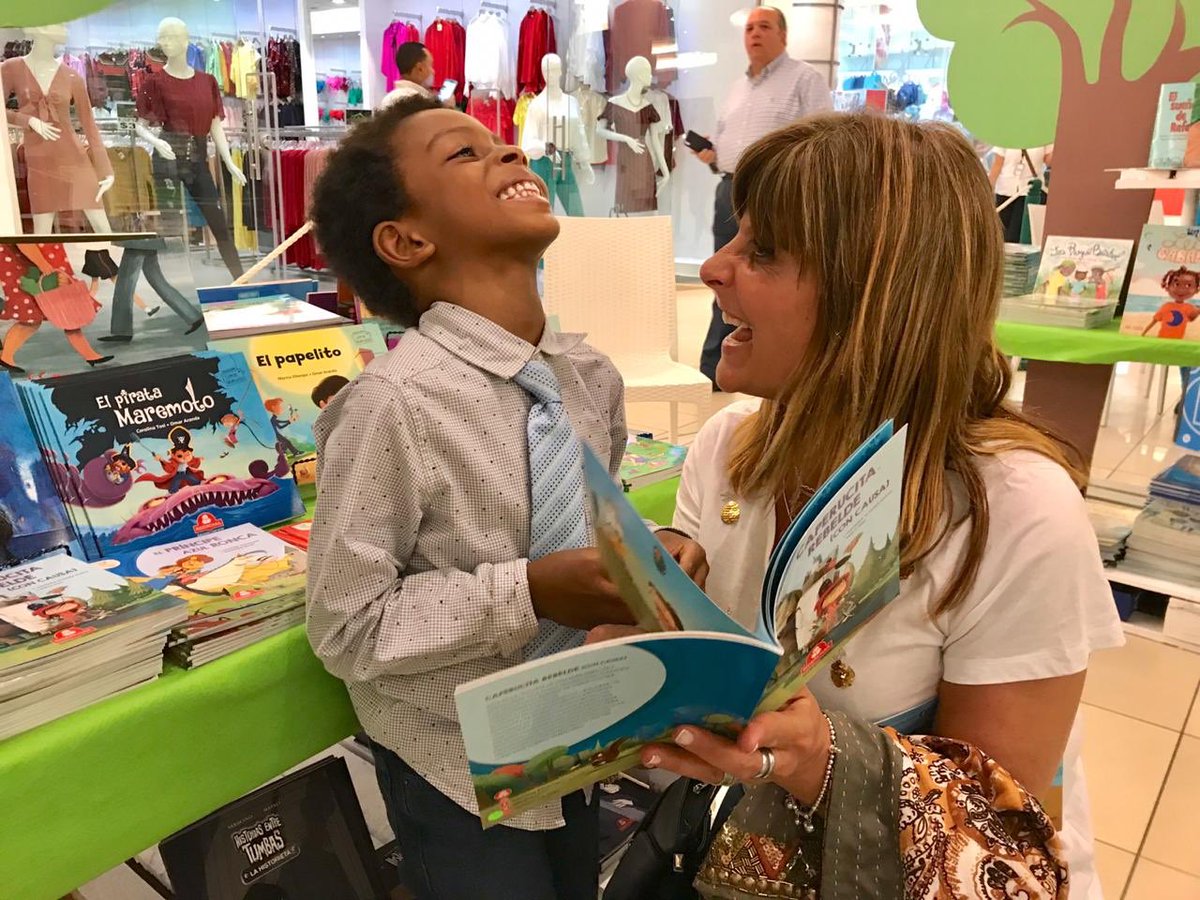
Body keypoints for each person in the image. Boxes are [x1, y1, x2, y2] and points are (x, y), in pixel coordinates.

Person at [644, 113, 1122, 897]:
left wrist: (816, 755)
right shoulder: (728, 445)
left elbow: (998, 829)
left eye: (761, 252)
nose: (714, 270)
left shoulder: (1016, 509)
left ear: (875, 295)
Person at [305, 95, 694, 900]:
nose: (510, 154)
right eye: (464, 154)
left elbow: (587, 514)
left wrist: (642, 553)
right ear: (406, 239)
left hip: (576, 732)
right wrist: (530, 590)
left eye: (501, 144)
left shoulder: (589, 380)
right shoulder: (392, 406)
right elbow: (346, 623)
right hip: (454, 765)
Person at [692, 6, 833, 384]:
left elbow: (822, 144)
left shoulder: (805, 79)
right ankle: (713, 370)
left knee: (774, 283)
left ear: (783, 36)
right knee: (722, 280)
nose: (754, 33)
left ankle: (776, 369)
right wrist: (710, 155)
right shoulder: (737, 89)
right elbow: (724, 146)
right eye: (750, 27)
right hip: (729, 189)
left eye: (764, 26)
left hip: (774, 197)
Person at [989, 145, 1053, 243]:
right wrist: (988, 188)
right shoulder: (1007, 135)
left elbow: (1049, 161)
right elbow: (998, 164)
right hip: (1005, 189)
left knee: (1016, 234)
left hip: (1029, 192)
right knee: (999, 233)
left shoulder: (1042, 138)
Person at [379, 41, 442, 108]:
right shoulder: (416, 101)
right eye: (431, 65)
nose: (433, 71)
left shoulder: (388, 99)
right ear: (420, 69)